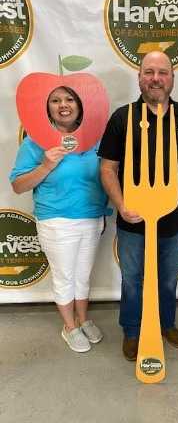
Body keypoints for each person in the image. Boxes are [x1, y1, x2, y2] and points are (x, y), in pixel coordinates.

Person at [98, 51, 178, 361]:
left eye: (163, 72)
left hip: (172, 220)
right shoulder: (123, 117)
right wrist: (121, 205)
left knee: (169, 277)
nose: (156, 78)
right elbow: (107, 168)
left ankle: (166, 323)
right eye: (149, 72)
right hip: (132, 221)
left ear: (172, 78)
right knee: (132, 278)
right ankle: (132, 331)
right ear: (139, 78)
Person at [10, 86, 107, 353]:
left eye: (69, 99)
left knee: (83, 276)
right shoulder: (35, 142)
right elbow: (18, 185)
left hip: (92, 217)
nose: (63, 105)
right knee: (65, 277)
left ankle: (83, 319)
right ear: (48, 108)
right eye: (55, 100)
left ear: (80, 104)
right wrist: (45, 165)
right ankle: (69, 327)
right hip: (56, 220)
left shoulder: (96, 139)